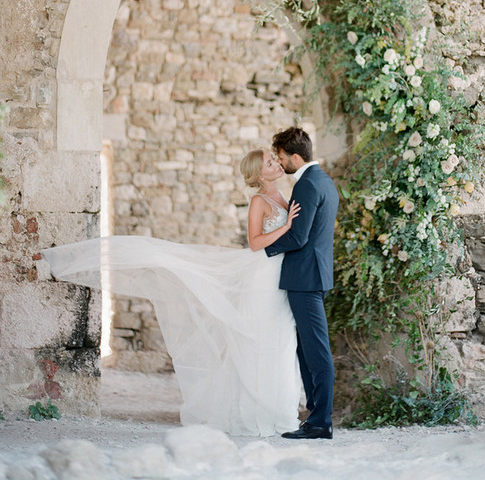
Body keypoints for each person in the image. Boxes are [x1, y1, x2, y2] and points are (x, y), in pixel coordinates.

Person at [41, 148, 302, 437]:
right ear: (258, 174)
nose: (277, 163)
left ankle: (279, 412)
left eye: (274, 159)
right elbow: (255, 243)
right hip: (261, 281)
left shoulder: (284, 197)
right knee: (259, 343)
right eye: (269, 162)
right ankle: (257, 414)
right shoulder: (259, 201)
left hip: (280, 278)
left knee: (281, 339)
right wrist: (288, 226)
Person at [265, 127, 339, 440]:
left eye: (282, 158)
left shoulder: (308, 185)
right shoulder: (323, 180)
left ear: (296, 157)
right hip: (311, 274)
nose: (280, 164)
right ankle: (314, 418)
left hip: (306, 277)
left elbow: (298, 236)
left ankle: (321, 421)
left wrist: (262, 251)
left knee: (316, 351)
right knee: (306, 350)